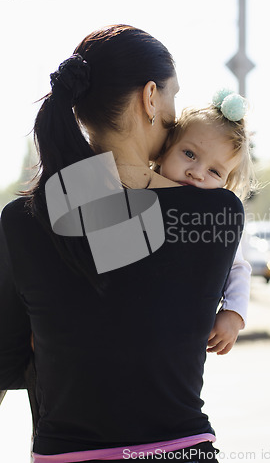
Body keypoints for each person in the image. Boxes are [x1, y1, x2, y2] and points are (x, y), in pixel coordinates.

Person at [0, 25, 245, 463]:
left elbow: (7, 358)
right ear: (150, 98)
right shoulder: (217, 213)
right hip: (177, 451)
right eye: (172, 96)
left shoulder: (23, 221)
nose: (175, 114)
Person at [153, 90, 255, 355]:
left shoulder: (216, 217)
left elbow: (238, 267)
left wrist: (233, 312)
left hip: (180, 341)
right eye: (189, 154)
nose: (196, 173)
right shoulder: (141, 192)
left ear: (226, 182)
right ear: (165, 150)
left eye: (214, 171)